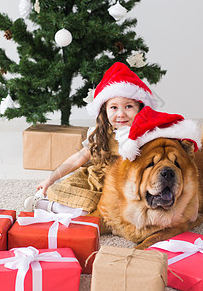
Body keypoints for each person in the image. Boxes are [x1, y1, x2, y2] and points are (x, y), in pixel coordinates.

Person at [23, 62, 158, 215]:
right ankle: (51, 204)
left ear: (140, 108)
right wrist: (50, 179)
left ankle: (49, 207)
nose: (121, 114)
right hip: (91, 179)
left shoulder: (146, 136)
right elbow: (77, 159)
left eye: (128, 106)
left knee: (97, 210)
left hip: (118, 188)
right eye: (114, 107)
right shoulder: (102, 133)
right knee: (61, 188)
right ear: (104, 111)